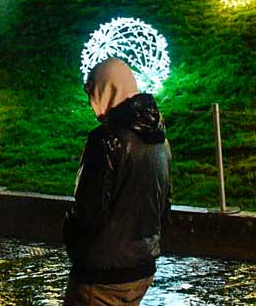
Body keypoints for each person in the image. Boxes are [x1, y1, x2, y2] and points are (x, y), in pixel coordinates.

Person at [61, 58, 172, 306]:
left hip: (102, 273)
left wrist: (70, 233)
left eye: (93, 92)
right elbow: (164, 205)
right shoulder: (159, 139)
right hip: (141, 268)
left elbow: (88, 210)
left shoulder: (106, 140)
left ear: (105, 89)